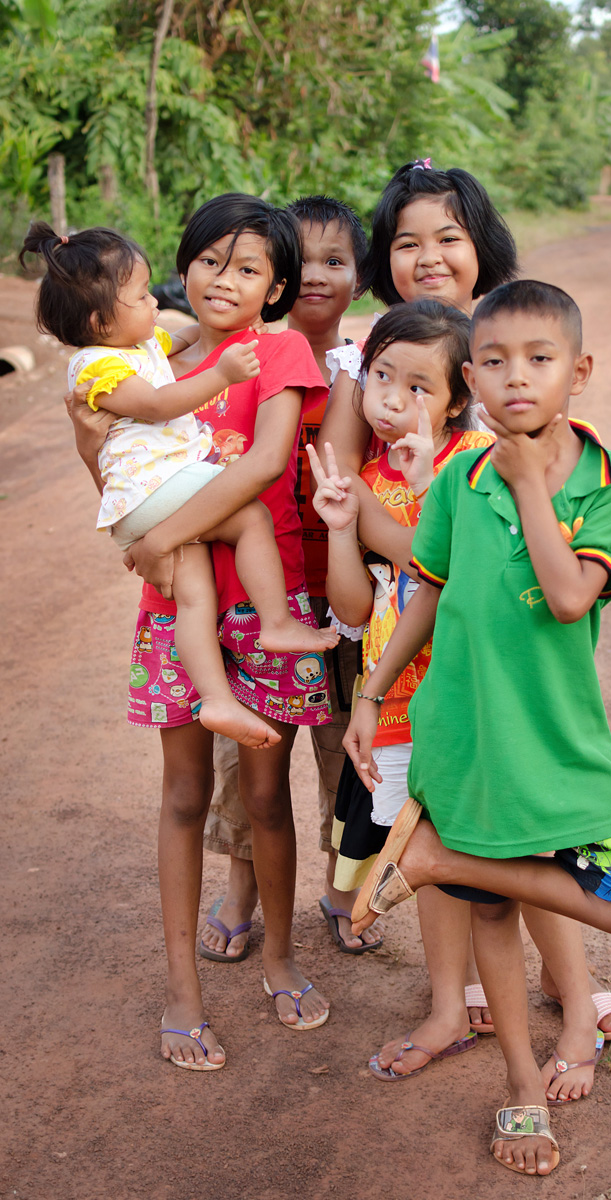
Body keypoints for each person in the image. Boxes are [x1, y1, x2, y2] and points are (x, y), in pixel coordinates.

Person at [319, 159, 611, 1049]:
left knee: (529, 823)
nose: (428, 257)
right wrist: (419, 534)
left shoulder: (514, 344)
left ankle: (569, 986)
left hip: (505, 641)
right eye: (406, 242)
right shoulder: (375, 358)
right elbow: (356, 494)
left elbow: (561, 519)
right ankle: (454, 996)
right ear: (383, 258)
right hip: (412, 625)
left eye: (449, 238)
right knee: (441, 822)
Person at [343, 280, 611, 1174]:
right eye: (493, 361)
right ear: (472, 380)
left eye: (539, 358)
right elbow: (427, 595)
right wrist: (370, 695)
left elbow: (568, 598)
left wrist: (527, 484)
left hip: (559, 744)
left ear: (578, 372)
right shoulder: (459, 479)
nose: (516, 377)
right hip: (464, 735)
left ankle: (434, 861)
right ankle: (522, 1084)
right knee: (493, 915)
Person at [68, 193, 335, 1068]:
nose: (225, 279)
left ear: (276, 287)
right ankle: (182, 990)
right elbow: (122, 472)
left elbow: (265, 463)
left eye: (249, 267)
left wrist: (158, 541)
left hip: (263, 602)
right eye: (211, 260)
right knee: (183, 797)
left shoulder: (279, 350)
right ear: (183, 265)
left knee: (266, 797)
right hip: (176, 607)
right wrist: (92, 449)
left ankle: (280, 956)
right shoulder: (154, 355)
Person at [24, 222, 338, 753]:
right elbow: (156, 408)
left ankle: (215, 699)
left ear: (274, 287)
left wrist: (213, 334)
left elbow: (184, 336)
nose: (155, 303)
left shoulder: (143, 348)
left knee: (194, 597)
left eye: (246, 270)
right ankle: (277, 621)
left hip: (166, 526)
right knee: (250, 517)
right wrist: (223, 373)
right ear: (101, 321)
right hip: (163, 512)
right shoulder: (102, 368)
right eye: (143, 295)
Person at [310, 299, 496, 1079]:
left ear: (457, 398)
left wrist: (424, 486)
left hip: (475, 695)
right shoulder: (365, 480)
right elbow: (355, 608)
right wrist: (340, 526)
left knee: (506, 851)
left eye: (419, 386)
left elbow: (452, 568)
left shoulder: (480, 460)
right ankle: (452, 1000)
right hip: (398, 696)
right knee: (430, 853)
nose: (392, 398)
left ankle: (564, 992)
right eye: (381, 376)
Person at [199, 195, 386, 958]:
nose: (315, 275)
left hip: (344, 599)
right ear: (274, 277)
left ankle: (344, 884)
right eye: (299, 260)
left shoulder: (371, 367)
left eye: (334, 261)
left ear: (359, 278)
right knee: (252, 756)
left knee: (348, 755)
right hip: (256, 596)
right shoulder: (237, 359)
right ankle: (242, 881)